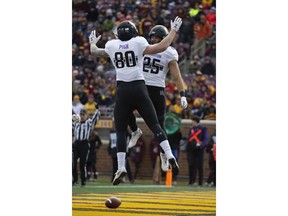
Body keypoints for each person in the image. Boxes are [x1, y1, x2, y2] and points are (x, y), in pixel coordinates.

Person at [89, 17, 183, 185]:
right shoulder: (139, 42)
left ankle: (121, 167)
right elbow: (162, 46)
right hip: (140, 88)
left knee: (119, 129)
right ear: (134, 33)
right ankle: (169, 155)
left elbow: (96, 52)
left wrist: (92, 44)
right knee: (155, 125)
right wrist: (173, 31)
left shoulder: (111, 45)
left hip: (123, 90)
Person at [126, 24, 188, 175]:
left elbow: (177, 76)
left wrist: (183, 94)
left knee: (159, 125)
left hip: (157, 90)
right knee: (123, 108)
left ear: (164, 38)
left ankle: (164, 154)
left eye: (157, 37)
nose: (153, 39)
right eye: (152, 36)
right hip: (141, 86)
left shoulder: (169, 52)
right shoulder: (143, 47)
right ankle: (135, 131)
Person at [72, 108, 100, 187]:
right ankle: (74, 180)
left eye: (83, 114)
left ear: (86, 115)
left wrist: (97, 110)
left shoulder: (89, 122)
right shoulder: (76, 122)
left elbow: (94, 119)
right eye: (81, 114)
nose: (82, 116)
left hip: (84, 144)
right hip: (76, 143)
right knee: (72, 162)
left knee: (82, 164)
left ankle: (83, 181)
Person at [186, 115, 208, 186]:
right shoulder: (191, 129)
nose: (192, 122)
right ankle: (191, 181)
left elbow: (205, 139)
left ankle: (200, 183)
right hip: (191, 149)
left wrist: (202, 145)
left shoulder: (202, 129)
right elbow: (189, 139)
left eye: (192, 120)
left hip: (199, 150)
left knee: (200, 166)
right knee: (191, 165)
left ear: (195, 121)